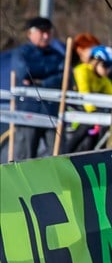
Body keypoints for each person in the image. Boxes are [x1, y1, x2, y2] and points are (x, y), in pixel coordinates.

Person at [12, 16, 67, 159]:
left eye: (49, 32)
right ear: (30, 33)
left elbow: (64, 78)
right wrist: (49, 74)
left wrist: (41, 82)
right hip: (28, 112)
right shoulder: (21, 53)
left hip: (52, 111)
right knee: (24, 159)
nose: (46, 36)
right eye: (42, 32)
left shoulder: (57, 56)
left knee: (59, 157)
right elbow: (23, 73)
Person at [66, 45, 112, 153]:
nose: (108, 69)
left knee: (94, 134)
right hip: (74, 110)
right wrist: (94, 112)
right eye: (105, 65)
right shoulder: (82, 71)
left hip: (89, 113)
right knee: (85, 127)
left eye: (111, 66)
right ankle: (64, 154)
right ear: (95, 62)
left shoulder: (103, 79)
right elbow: (84, 94)